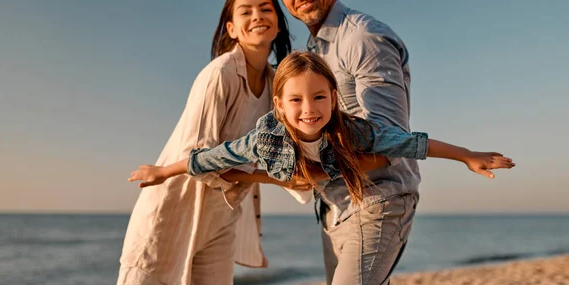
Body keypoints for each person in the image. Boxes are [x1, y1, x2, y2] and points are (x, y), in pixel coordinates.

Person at [264, 0, 511, 285]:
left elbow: (389, 141)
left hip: (379, 200)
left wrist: (307, 174)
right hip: (334, 206)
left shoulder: (362, 37)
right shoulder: (313, 53)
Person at [106, 0, 298, 285]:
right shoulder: (219, 74)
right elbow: (202, 159)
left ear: (279, 22)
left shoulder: (276, 86)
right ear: (232, 28)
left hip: (221, 221)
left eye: (267, 9)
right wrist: (276, 181)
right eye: (246, 11)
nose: (258, 16)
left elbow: (282, 151)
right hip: (170, 214)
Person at [128, 52, 514, 217]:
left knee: (335, 168)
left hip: (331, 166)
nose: (308, 109)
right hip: (288, 170)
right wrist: (162, 172)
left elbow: (412, 142)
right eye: (296, 100)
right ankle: (247, 179)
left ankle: (252, 178)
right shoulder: (263, 139)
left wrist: (466, 154)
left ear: (333, 97)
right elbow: (211, 156)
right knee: (257, 173)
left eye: (318, 97)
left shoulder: (356, 131)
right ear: (279, 105)